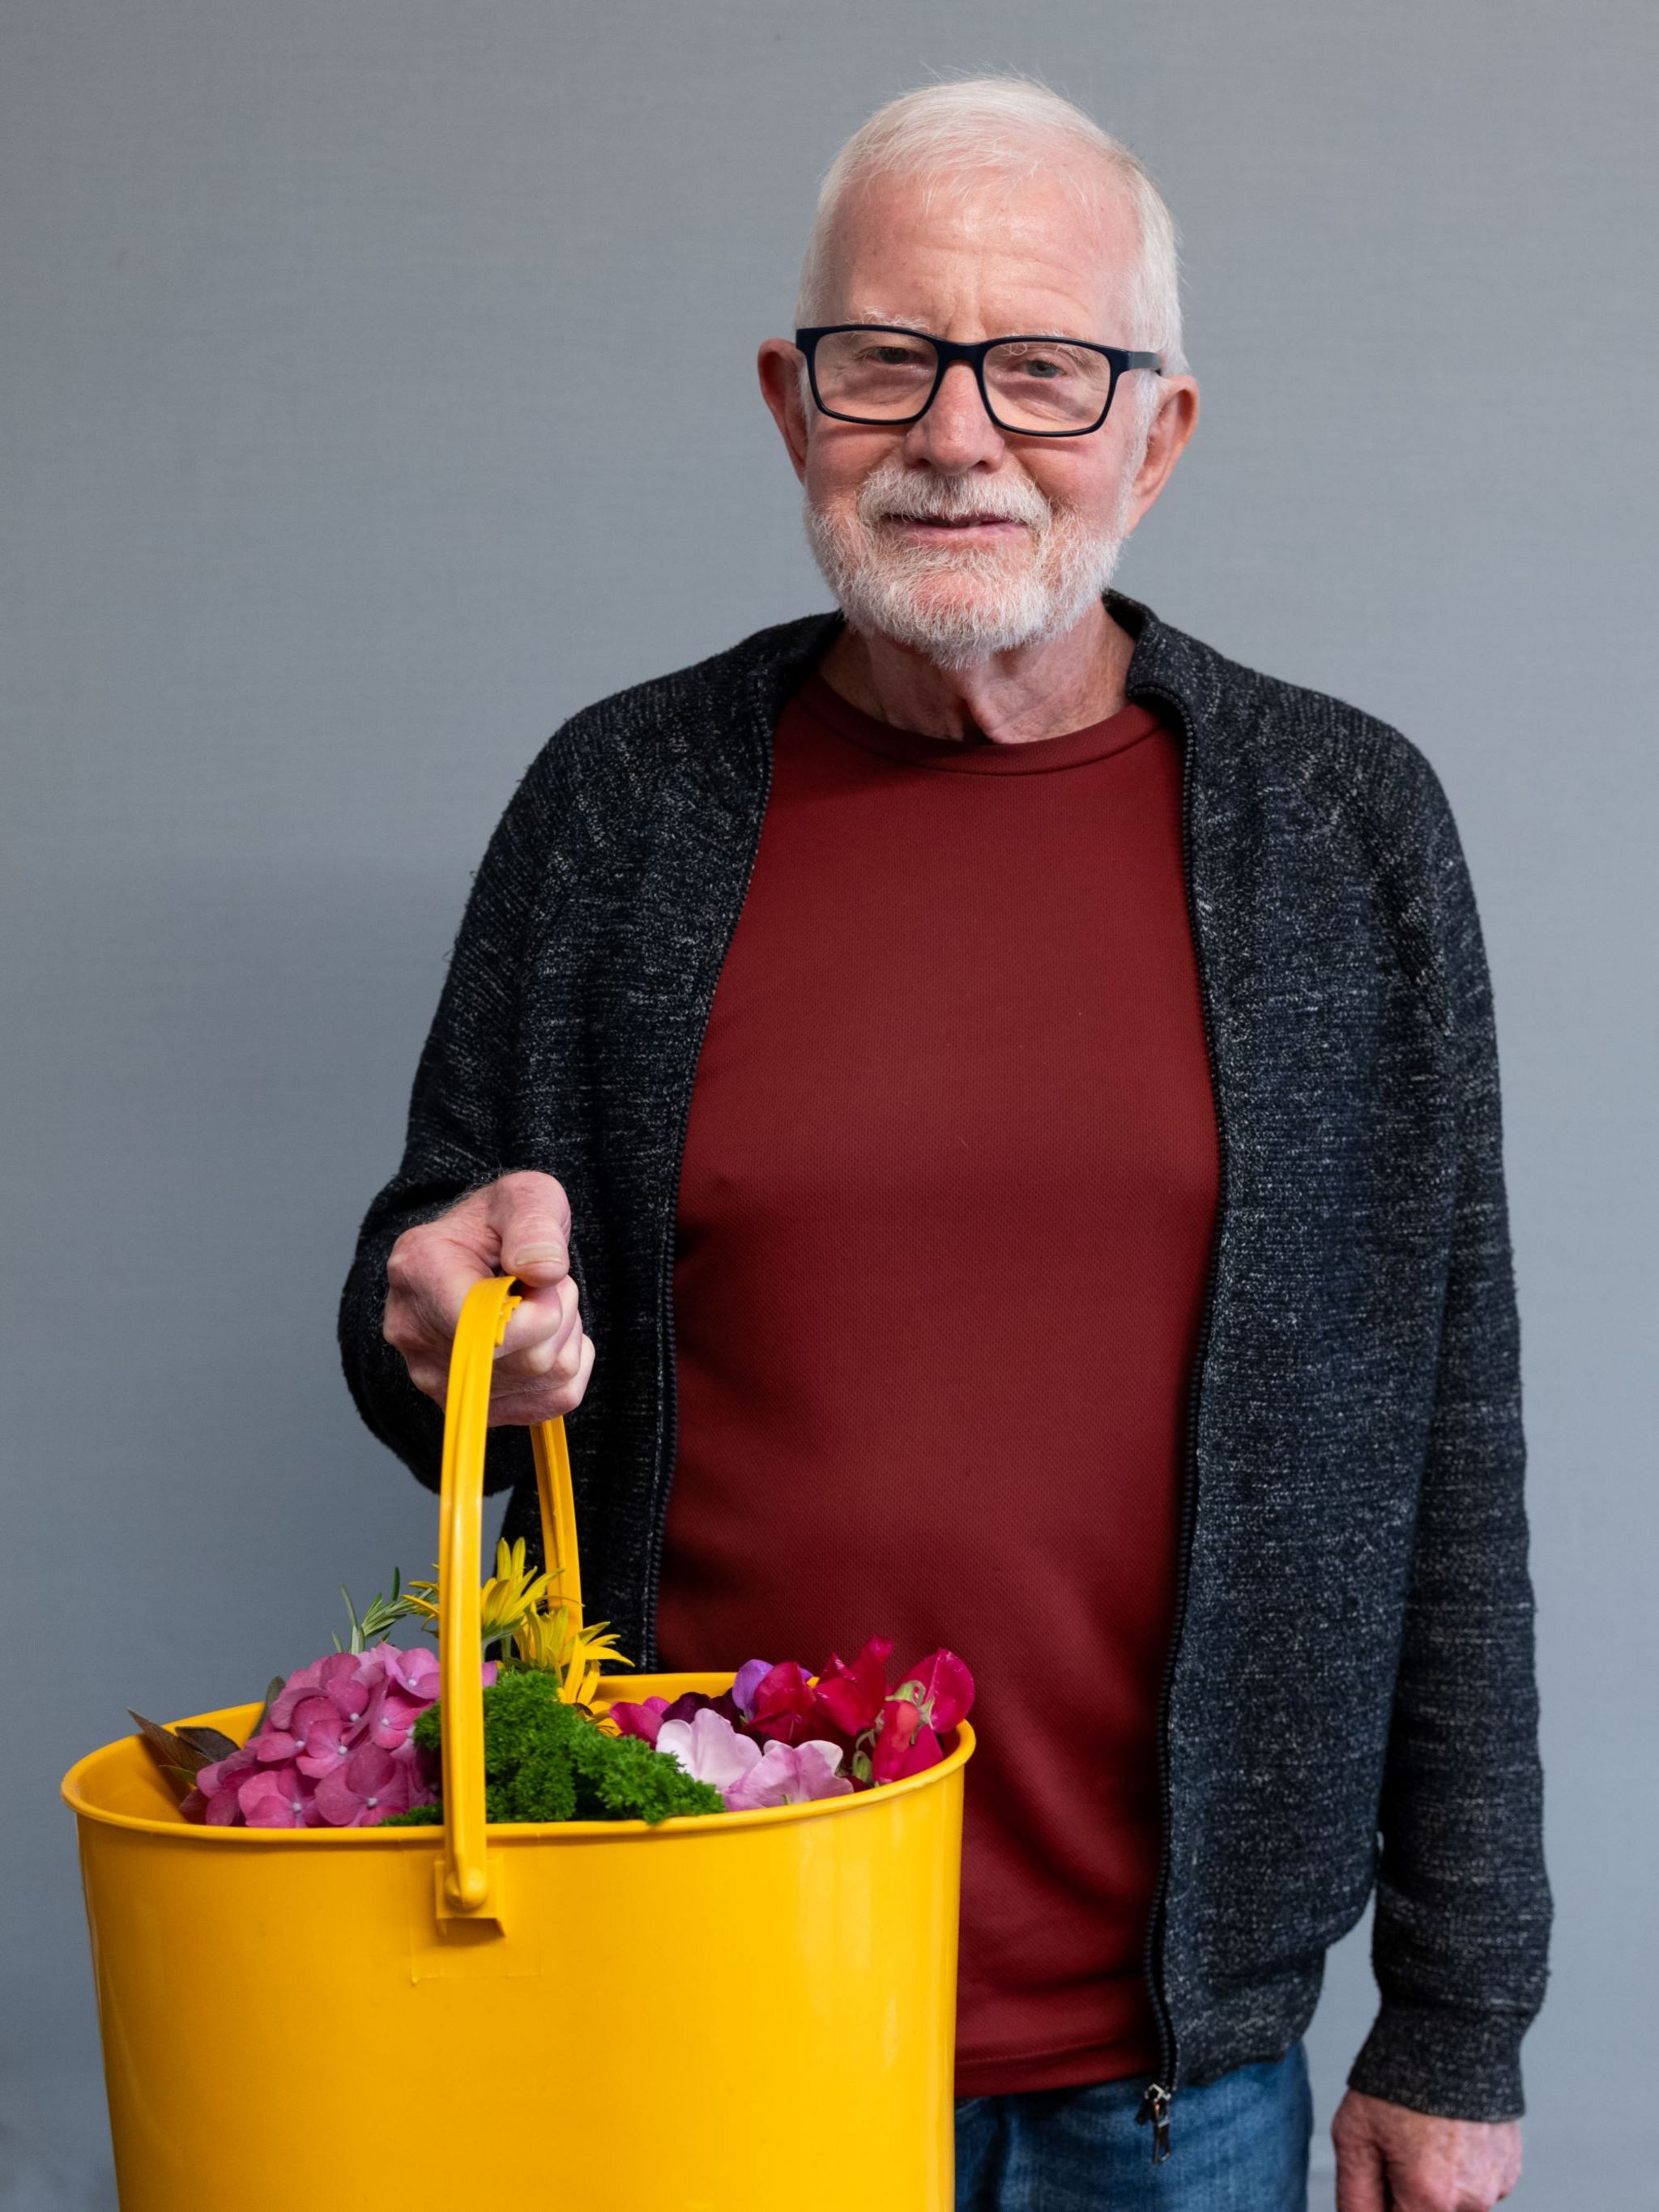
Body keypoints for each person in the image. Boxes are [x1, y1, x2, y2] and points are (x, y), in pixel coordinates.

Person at [339, 78, 1548, 2212]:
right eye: (888, 357)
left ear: (1158, 432)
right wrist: (435, 1310)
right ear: (793, 403)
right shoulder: (618, 813)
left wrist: (1456, 2011)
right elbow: (427, 1277)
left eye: (1046, 369)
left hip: (1178, 2085)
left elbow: (1450, 1447)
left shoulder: (1347, 837)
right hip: (692, 2005)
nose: (960, 433)